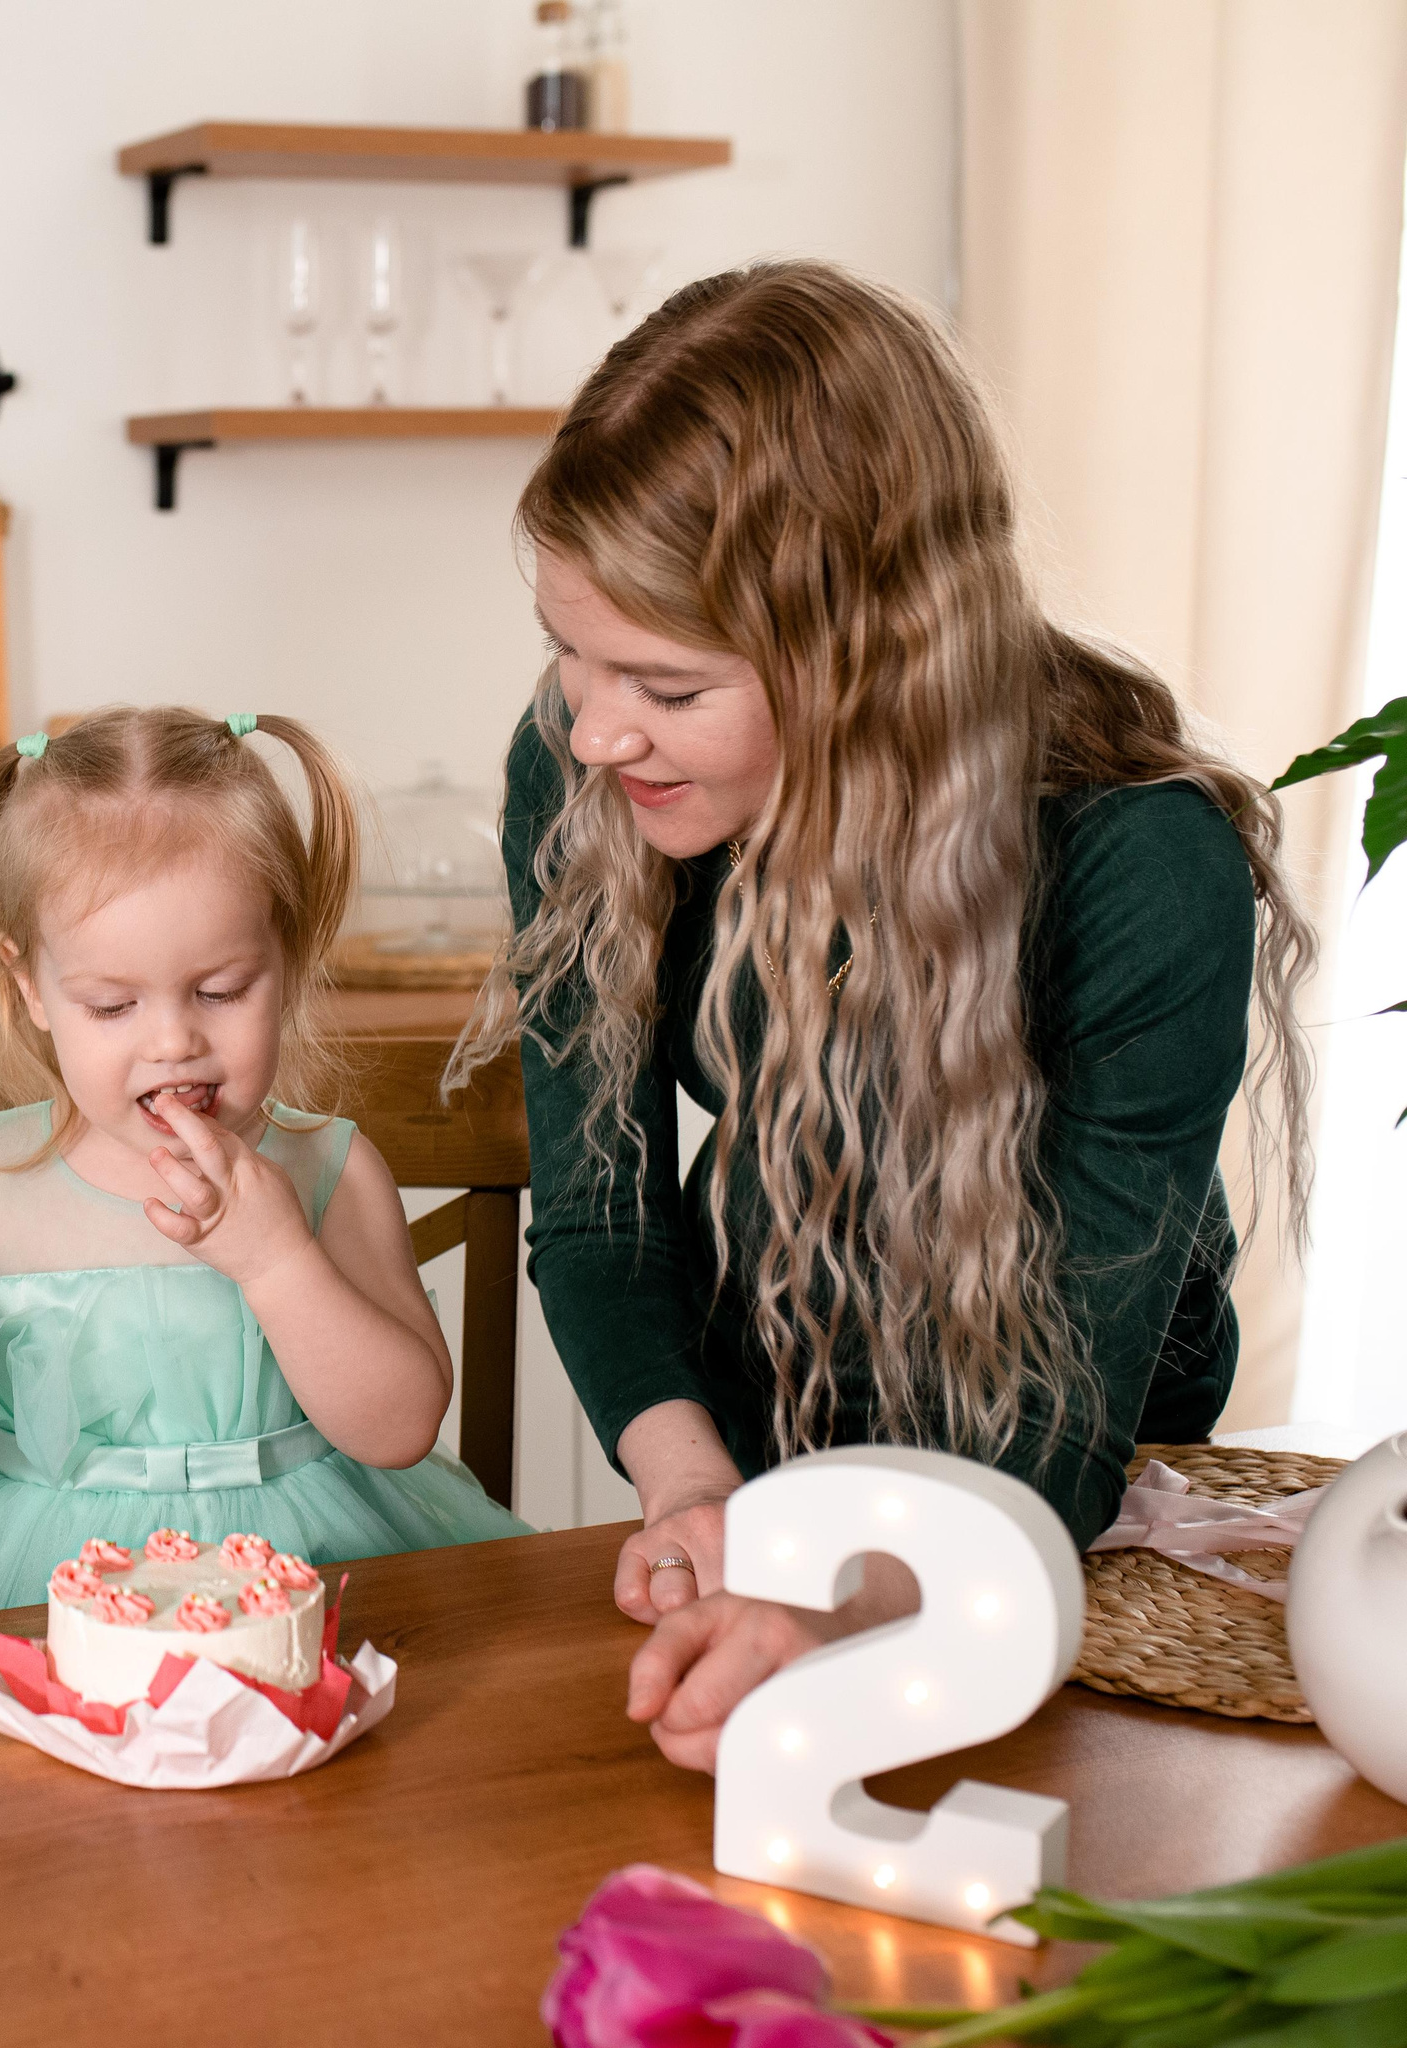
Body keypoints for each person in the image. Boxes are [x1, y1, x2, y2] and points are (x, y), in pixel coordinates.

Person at [456, 259, 1313, 1772]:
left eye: (663, 680)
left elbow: (1072, 1403)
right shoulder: (588, 773)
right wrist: (688, 1489)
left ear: (865, 656)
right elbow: (602, 1219)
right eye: (567, 651)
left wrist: (871, 1603)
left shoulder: (1138, 866)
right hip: (775, 1438)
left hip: (1075, 1486)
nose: (591, 728)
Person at [0, 708, 532, 1649]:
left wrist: (278, 1262)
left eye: (221, 990)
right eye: (112, 1004)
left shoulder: (327, 1170)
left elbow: (402, 1426)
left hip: (308, 1585)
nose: (173, 1040)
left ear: (287, 962)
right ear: (29, 990)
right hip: (27, 1592)